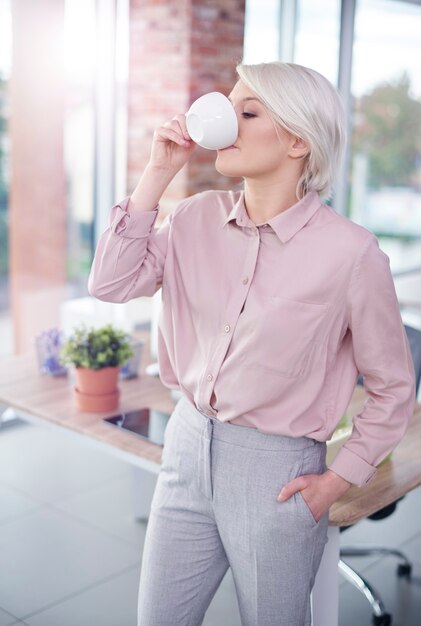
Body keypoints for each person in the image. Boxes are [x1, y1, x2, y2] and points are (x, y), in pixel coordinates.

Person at [88, 62, 416, 626]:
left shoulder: (352, 255)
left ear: (296, 139)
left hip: (278, 474)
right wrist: (155, 175)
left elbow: (393, 386)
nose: (225, 120)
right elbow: (110, 283)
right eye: (228, 106)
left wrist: (339, 478)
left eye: (248, 111)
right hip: (187, 447)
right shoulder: (193, 218)